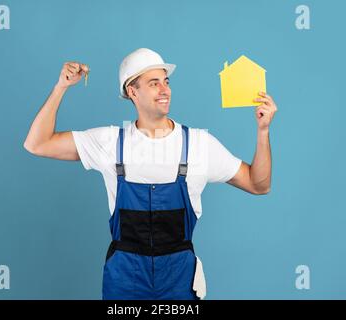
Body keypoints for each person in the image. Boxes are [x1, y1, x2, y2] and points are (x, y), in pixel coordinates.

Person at [23, 48, 277, 300]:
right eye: (154, 83)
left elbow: (258, 184)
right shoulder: (110, 142)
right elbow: (38, 143)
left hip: (179, 279)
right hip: (124, 280)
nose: (165, 90)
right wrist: (61, 87)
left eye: (166, 82)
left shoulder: (200, 144)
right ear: (132, 91)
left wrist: (263, 131)